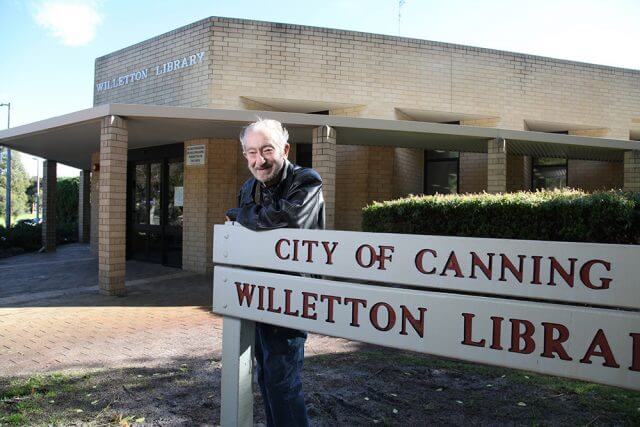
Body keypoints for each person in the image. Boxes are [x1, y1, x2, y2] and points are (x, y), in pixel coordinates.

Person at [225, 118, 324, 427]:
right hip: (257, 294)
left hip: (292, 296)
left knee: (282, 380)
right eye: (252, 152)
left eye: (267, 149)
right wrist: (249, 217)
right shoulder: (248, 188)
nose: (260, 160)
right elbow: (253, 231)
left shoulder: (306, 181)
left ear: (285, 148)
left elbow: (287, 219)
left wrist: (242, 215)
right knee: (266, 375)